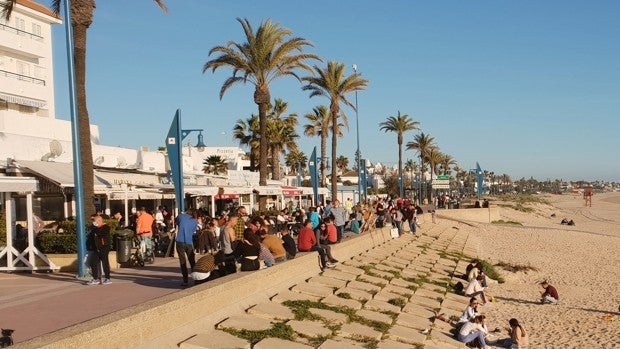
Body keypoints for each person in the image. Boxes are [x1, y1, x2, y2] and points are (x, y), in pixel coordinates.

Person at [86, 215, 112, 285]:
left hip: (104, 247)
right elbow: (91, 233)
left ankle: (107, 278)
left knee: (105, 262)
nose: (94, 223)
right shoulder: (95, 228)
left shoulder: (106, 227)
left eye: (95, 221)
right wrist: (93, 227)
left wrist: (95, 228)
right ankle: (95, 278)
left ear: (99, 221)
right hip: (97, 248)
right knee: (93, 262)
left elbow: (100, 234)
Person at [176, 208, 198, 287]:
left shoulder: (180, 216)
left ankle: (185, 281)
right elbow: (193, 231)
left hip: (180, 241)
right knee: (192, 261)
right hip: (189, 242)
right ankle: (196, 279)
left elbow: (177, 223)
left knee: (182, 262)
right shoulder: (195, 221)